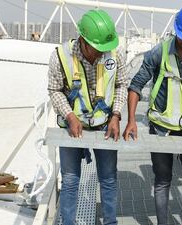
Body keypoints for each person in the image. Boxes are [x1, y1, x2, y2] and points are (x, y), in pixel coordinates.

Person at [123, 4, 182, 225]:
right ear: (176, 30)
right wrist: (131, 121)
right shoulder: (159, 52)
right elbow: (136, 85)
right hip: (161, 128)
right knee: (163, 180)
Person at [47, 9, 127, 225]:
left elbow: (121, 84)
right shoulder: (61, 56)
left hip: (104, 125)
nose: (102, 53)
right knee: (71, 180)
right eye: (96, 49)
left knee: (109, 179)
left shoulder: (114, 54)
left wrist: (116, 115)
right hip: (72, 126)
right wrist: (69, 115)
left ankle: (110, 222)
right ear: (83, 40)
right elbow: (55, 90)